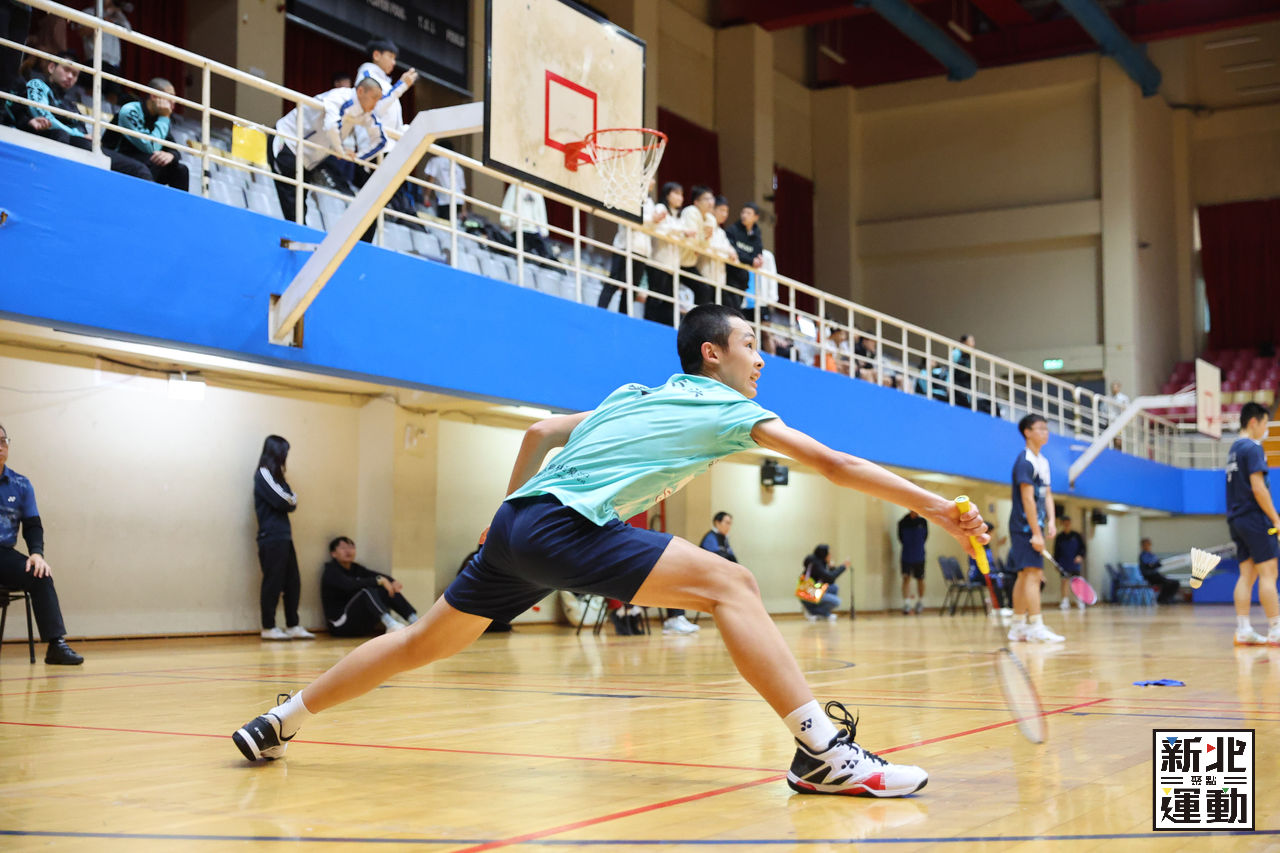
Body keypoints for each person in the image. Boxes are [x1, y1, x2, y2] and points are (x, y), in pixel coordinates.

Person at [233, 303, 988, 800]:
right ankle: (822, 753)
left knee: (418, 643)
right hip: (563, 527)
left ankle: (280, 720)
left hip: (516, 525)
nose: (761, 361)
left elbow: (538, 433)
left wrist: (502, 517)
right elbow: (836, 464)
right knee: (733, 584)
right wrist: (939, 508)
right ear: (712, 353)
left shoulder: (632, 395)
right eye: (751, 346)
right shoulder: (729, 406)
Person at [0, 423, 83, 665]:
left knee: (39, 573)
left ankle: (56, 645)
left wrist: (36, 554)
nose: (0, 446)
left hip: (4, 556)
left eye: (3, 441)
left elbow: (33, 525)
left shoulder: (21, 484)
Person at [268, 78, 389, 224]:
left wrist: (359, 157)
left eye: (378, 99)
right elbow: (331, 126)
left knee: (299, 209)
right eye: (374, 98)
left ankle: (297, 235)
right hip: (287, 141)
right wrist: (340, 150)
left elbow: (381, 140)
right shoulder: (339, 97)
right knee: (293, 209)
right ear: (360, 91)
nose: (376, 103)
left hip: (308, 160)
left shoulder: (366, 112)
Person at [15, 53, 151, 182]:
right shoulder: (37, 84)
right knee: (68, 138)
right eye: (66, 70)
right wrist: (78, 134)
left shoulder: (71, 105)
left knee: (139, 169)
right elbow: (42, 115)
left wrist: (84, 136)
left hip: (80, 145)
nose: (70, 76)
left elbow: (84, 133)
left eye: (75, 74)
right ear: (51, 68)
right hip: (51, 139)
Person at [1225, 401, 1280, 644]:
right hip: (1255, 518)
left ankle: (1243, 629)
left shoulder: (1233, 450)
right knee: (1269, 573)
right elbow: (1258, 488)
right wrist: (1276, 518)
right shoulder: (1253, 448)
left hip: (1236, 519)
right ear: (1253, 422)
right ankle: (1276, 628)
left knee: (1246, 575)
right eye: (1265, 424)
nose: (1266, 430)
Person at [1007, 414, 1064, 643]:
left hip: (1035, 526)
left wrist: (1051, 521)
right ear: (1027, 432)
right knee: (1033, 574)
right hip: (1023, 527)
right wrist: (1036, 533)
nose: (1045, 432)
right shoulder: (1025, 462)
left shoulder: (1043, 462)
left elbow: (1047, 495)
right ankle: (1036, 625)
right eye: (1040, 428)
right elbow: (1027, 499)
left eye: (1046, 429)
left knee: (1025, 575)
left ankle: (1017, 626)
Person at [253, 435, 314, 641]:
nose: (285, 456)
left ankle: (293, 625)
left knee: (293, 582)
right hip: (271, 537)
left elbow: (291, 501)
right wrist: (290, 499)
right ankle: (268, 627)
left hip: (284, 537)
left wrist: (290, 500)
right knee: (273, 582)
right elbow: (284, 500)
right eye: (284, 451)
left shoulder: (278, 477)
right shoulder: (263, 473)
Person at [101, 78, 188, 191]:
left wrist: (170, 155)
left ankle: (177, 203)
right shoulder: (130, 110)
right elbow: (149, 146)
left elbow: (173, 147)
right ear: (154, 96)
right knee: (149, 163)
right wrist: (164, 118)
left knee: (181, 170)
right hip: (118, 157)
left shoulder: (159, 116)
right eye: (170, 97)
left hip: (144, 161)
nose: (173, 102)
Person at [322, 536, 418, 637]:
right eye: (343, 548)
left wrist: (392, 581)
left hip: (361, 625)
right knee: (366, 591)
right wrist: (379, 580)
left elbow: (375, 575)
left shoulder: (356, 568)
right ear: (333, 553)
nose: (348, 551)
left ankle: (415, 622)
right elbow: (349, 584)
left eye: (351, 547)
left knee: (386, 588)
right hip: (340, 626)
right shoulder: (331, 571)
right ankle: (391, 624)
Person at [599, 178, 659, 314]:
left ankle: (623, 317)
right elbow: (632, 217)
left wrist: (655, 221)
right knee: (615, 281)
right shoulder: (630, 195)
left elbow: (652, 225)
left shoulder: (650, 202)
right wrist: (652, 220)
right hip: (626, 246)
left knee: (632, 288)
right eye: (651, 178)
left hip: (642, 251)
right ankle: (600, 312)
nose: (653, 182)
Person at [643, 182, 687, 327]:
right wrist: (680, 231)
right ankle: (649, 326)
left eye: (681, 194)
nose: (680, 198)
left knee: (669, 302)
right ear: (667, 195)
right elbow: (660, 229)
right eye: (676, 193)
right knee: (655, 298)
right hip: (658, 261)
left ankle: (667, 329)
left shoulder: (679, 217)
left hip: (672, 266)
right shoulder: (660, 208)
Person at [356, 37, 417, 137]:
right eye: (390, 57)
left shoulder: (386, 84)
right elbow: (374, 109)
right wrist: (401, 86)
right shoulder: (367, 76)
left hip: (388, 141)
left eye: (394, 58)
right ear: (376, 55)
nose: (394, 62)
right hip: (374, 141)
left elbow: (390, 119)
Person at [78, 0, 131, 106]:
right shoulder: (89, 12)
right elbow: (82, 32)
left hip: (114, 63)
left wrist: (117, 11)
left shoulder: (116, 16)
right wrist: (101, 21)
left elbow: (128, 31)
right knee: (93, 89)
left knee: (113, 93)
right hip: (95, 58)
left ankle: (108, 115)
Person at [677, 185, 716, 307]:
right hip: (678, 259)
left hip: (689, 263)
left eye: (711, 198)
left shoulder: (710, 219)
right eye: (706, 199)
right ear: (696, 202)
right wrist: (702, 241)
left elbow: (705, 246)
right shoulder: (691, 211)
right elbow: (691, 239)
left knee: (705, 289)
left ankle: (698, 316)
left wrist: (705, 239)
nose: (710, 202)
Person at [723, 202, 764, 313]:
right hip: (730, 275)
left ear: (756, 217)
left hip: (743, 278)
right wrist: (750, 260)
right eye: (743, 212)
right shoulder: (732, 230)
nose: (744, 215)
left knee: (737, 309)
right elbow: (732, 250)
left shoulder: (756, 234)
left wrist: (758, 260)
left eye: (748, 213)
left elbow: (757, 253)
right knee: (732, 309)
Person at [698, 195, 737, 308]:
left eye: (726, 211)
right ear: (713, 210)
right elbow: (707, 246)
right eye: (722, 210)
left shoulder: (721, 233)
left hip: (719, 280)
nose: (725, 214)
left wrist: (731, 252)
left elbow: (730, 250)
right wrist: (725, 252)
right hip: (705, 275)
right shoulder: (705, 224)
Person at [500, 183, 553, 259]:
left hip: (534, 231)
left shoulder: (537, 190)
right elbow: (508, 205)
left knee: (545, 255)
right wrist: (506, 221)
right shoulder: (515, 186)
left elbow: (541, 211)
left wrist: (544, 230)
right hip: (518, 228)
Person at [801, 545, 847, 622]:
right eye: (828, 553)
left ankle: (818, 612)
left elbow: (829, 581)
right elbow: (830, 577)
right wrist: (843, 567)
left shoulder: (819, 563)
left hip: (813, 589)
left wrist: (831, 568)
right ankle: (814, 612)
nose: (830, 555)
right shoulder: (816, 564)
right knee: (837, 601)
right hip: (808, 592)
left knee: (834, 588)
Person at [423, 141, 466, 221]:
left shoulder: (435, 161)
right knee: (452, 224)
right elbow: (462, 190)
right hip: (459, 201)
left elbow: (431, 180)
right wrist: (464, 210)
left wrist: (426, 197)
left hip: (445, 200)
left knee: (444, 224)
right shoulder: (458, 168)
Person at [1053, 516, 1087, 611]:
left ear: (1070, 523)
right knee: (1064, 581)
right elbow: (1056, 552)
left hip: (1074, 563)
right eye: (1065, 522)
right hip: (1063, 563)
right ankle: (1065, 601)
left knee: (1076, 582)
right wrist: (1056, 564)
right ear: (1062, 524)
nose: (1066, 524)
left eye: (1068, 522)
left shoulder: (1076, 536)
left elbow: (1083, 548)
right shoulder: (1059, 537)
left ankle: (1079, 600)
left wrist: (1080, 556)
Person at [897, 510, 927, 614]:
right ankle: (906, 603)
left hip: (919, 555)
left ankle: (920, 602)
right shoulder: (902, 522)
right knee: (906, 578)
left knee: (920, 579)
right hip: (907, 555)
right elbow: (900, 538)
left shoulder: (923, 522)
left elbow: (925, 537)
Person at [1137, 539, 1179, 605]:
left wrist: (1156, 564)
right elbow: (1150, 565)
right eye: (1145, 545)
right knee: (1167, 583)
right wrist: (1155, 565)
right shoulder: (1143, 555)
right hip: (1150, 576)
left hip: (1156, 575)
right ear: (1142, 546)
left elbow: (1156, 564)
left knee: (1175, 583)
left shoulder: (1151, 554)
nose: (1147, 547)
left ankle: (1168, 598)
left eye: (1148, 545)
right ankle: (1162, 599)